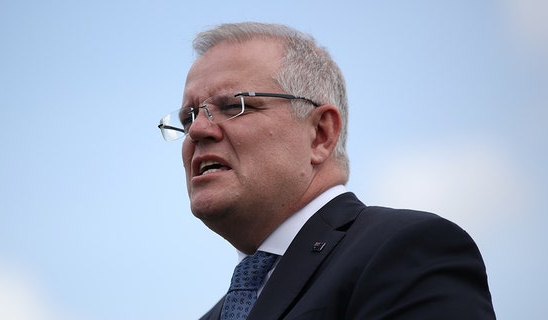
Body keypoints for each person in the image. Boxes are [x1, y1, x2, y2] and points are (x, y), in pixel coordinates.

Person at [157, 22, 495, 320]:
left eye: (233, 105)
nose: (198, 130)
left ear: (320, 133)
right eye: (188, 117)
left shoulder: (406, 249)